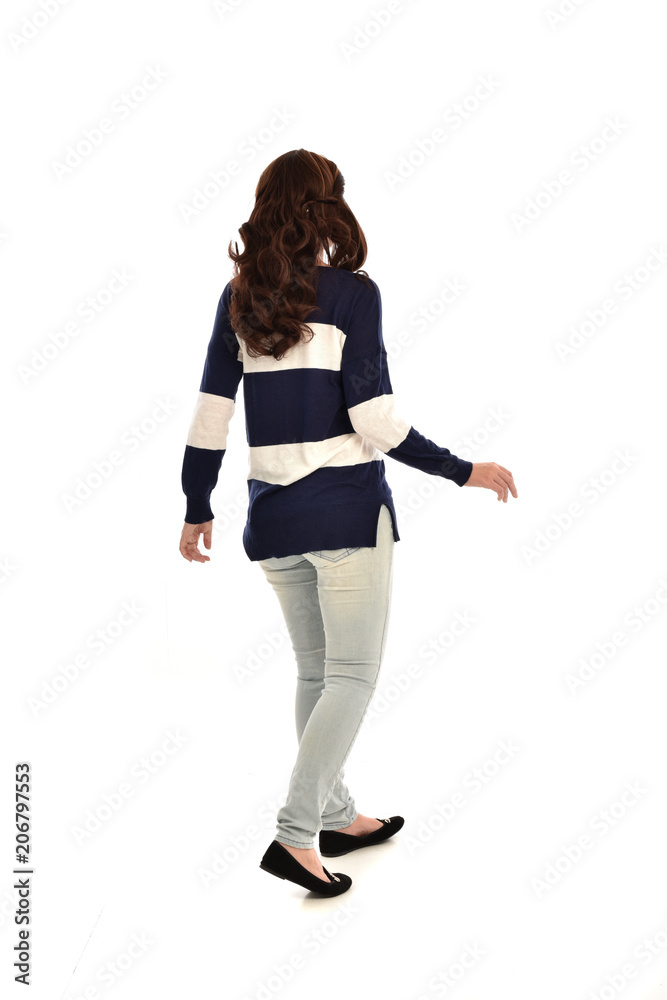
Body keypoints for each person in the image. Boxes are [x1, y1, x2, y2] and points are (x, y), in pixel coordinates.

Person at [178, 149, 518, 897]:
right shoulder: (353, 296)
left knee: (315, 672)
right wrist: (463, 469)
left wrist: (196, 504)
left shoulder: (238, 295)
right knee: (353, 676)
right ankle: (296, 832)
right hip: (344, 514)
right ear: (324, 207)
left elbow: (210, 415)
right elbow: (373, 418)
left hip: (271, 523)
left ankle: (335, 813)